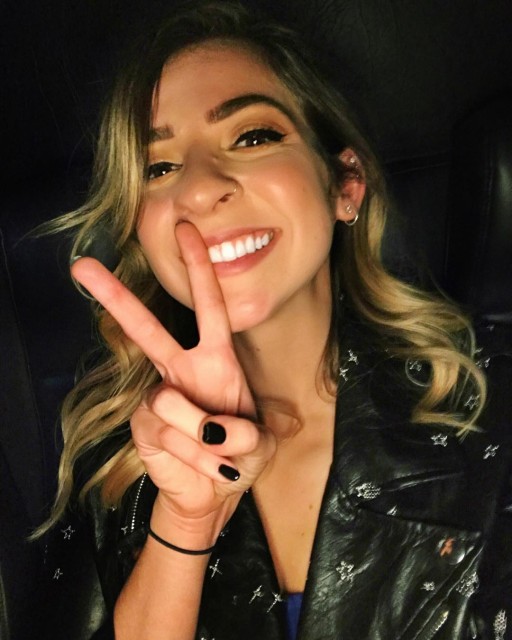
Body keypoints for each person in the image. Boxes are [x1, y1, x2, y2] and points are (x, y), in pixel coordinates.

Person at [40, 1, 511, 638]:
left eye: (253, 137)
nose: (199, 188)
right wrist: (184, 527)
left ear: (345, 182)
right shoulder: (109, 462)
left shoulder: (494, 397)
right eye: (159, 168)